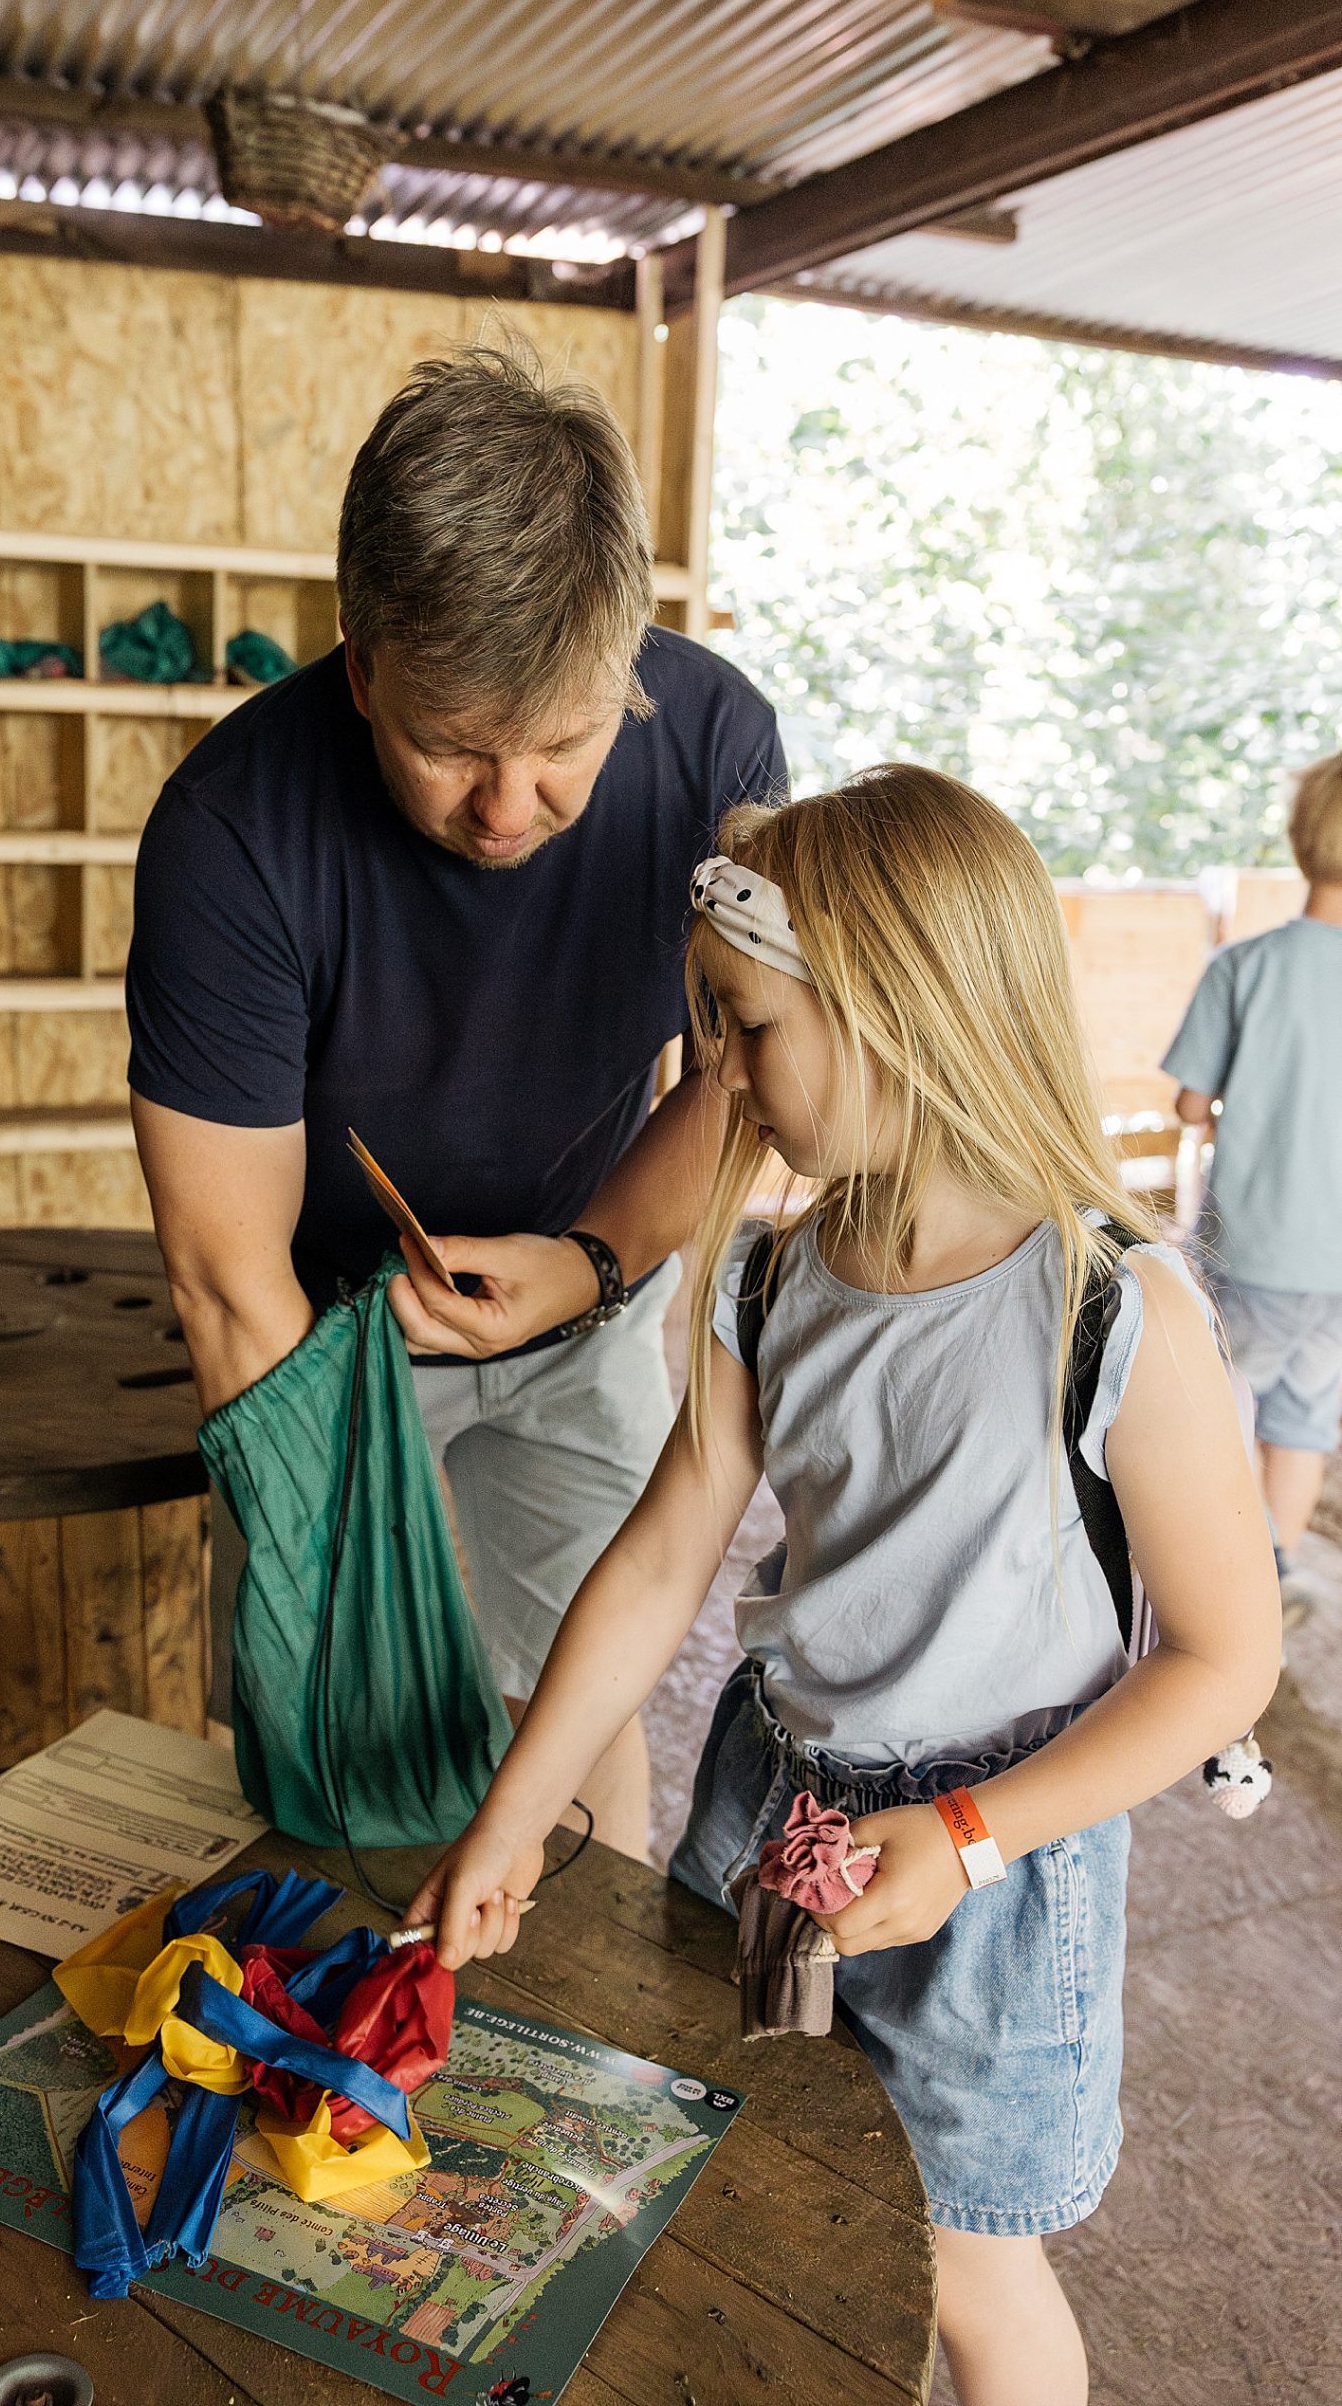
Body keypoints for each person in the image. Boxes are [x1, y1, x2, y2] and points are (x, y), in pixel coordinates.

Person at [405, 765, 1280, 2406]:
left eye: (744, 1028)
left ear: (895, 1014)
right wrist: (512, 1820)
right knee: (766, 2169)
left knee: (960, 2259)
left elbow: (1222, 1665)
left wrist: (963, 1839)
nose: (716, 1073)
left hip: (994, 1870)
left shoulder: (1115, 1311)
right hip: (783, 1822)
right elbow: (663, 1557)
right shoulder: (767, 1278)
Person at [127, 343, 784, 1858]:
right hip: (325, 1336)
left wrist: (599, 1260)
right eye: (445, 746)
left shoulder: (712, 746)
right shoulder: (231, 832)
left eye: (560, 746)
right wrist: (341, 1570)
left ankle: (584, 2077)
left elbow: (741, 1075)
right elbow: (224, 1277)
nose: (505, 807)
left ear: (627, 667)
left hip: (589, 1289)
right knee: (341, 1730)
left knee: (579, 1706)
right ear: (360, 666)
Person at [1165, 749, 1342, 1622]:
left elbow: (1190, 1104)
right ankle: (1276, 1570)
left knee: (1227, 1403)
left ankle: (1244, 1571)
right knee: (1306, 1417)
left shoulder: (1245, 968)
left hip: (1255, 1245)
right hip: (1337, 1265)